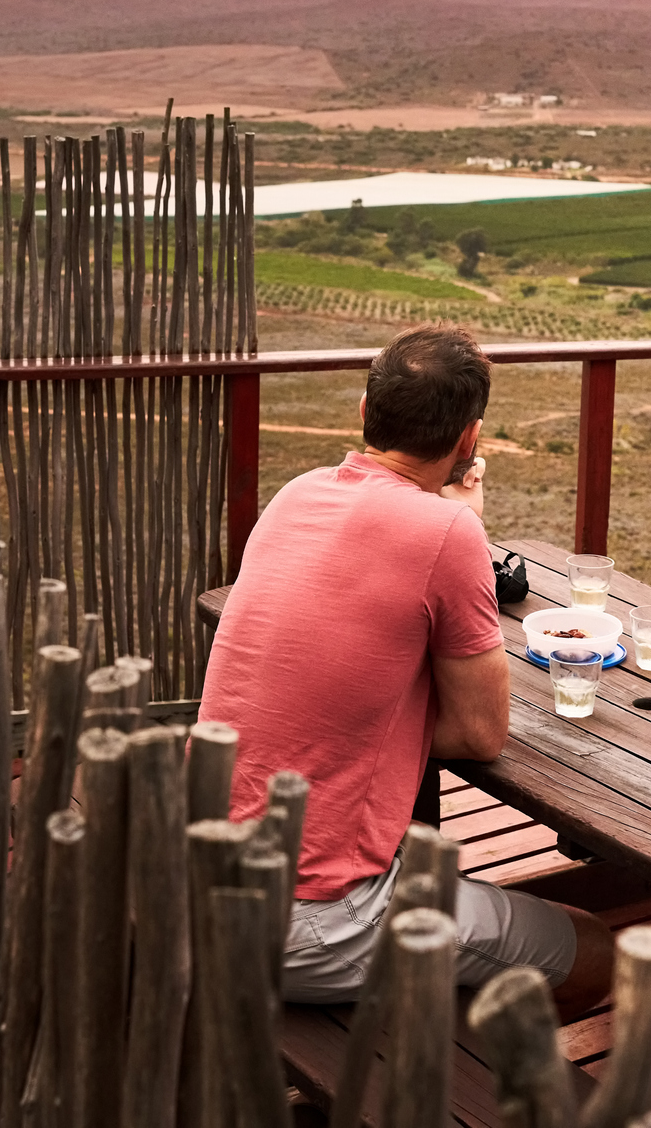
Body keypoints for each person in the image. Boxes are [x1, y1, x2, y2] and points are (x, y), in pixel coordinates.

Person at [199, 322, 614, 1012]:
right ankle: (449, 1071)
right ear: (467, 439)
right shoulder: (448, 532)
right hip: (306, 920)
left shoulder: (298, 493)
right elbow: (480, 735)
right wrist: (461, 528)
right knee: (591, 951)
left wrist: (454, 524)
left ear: (364, 413)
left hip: (198, 868)